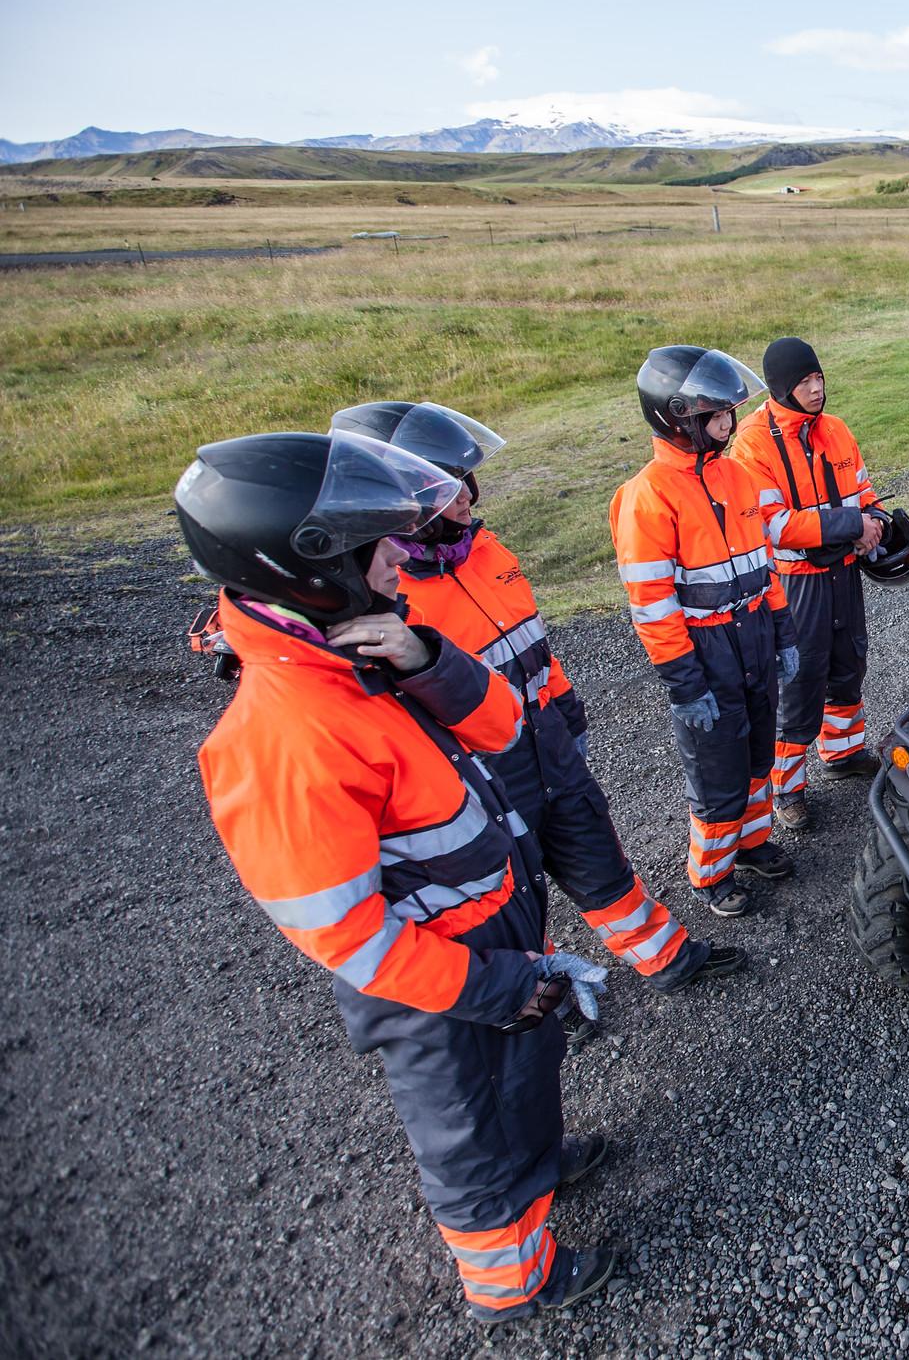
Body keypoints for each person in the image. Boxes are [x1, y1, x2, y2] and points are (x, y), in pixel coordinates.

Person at [180, 429, 616, 1324]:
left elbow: (503, 729)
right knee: (470, 1133)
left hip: (494, 929)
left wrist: (427, 658)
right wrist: (490, 984)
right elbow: (350, 939)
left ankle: (545, 1166)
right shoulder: (281, 737)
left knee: (526, 1078)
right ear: (306, 567)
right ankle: (514, 1285)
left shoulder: (363, 653)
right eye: (370, 545)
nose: (394, 561)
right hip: (435, 982)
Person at [333, 400, 745, 991]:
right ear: (404, 510)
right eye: (448, 492)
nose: (468, 499)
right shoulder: (385, 608)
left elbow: (533, 646)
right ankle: (539, 989)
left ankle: (665, 956)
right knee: (504, 893)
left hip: (544, 737)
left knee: (597, 854)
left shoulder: (485, 553)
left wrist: (565, 707)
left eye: (464, 484)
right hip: (478, 773)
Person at [611, 346, 800, 919]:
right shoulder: (647, 497)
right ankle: (711, 873)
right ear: (676, 416)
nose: (728, 423)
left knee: (755, 754)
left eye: (728, 413)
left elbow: (764, 565)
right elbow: (652, 606)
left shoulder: (737, 475)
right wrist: (684, 683)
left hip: (754, 638)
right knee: (717, 771)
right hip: (705, 650)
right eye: (715, 414)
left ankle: (752, 841)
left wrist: (784, 631)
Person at [728, 339, 886, 831]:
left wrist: (875, 523)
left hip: (843, 572)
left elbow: (863, 491)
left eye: (819, 378)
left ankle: (841, 752)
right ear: (780, 389)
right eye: (804, 383)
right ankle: (787, 788)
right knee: (799, 686)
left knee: (848, 664)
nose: (817, 389)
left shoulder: (836, 431)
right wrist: (851, 526)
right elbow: (773, 525)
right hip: (797, 583)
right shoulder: (752, 443)